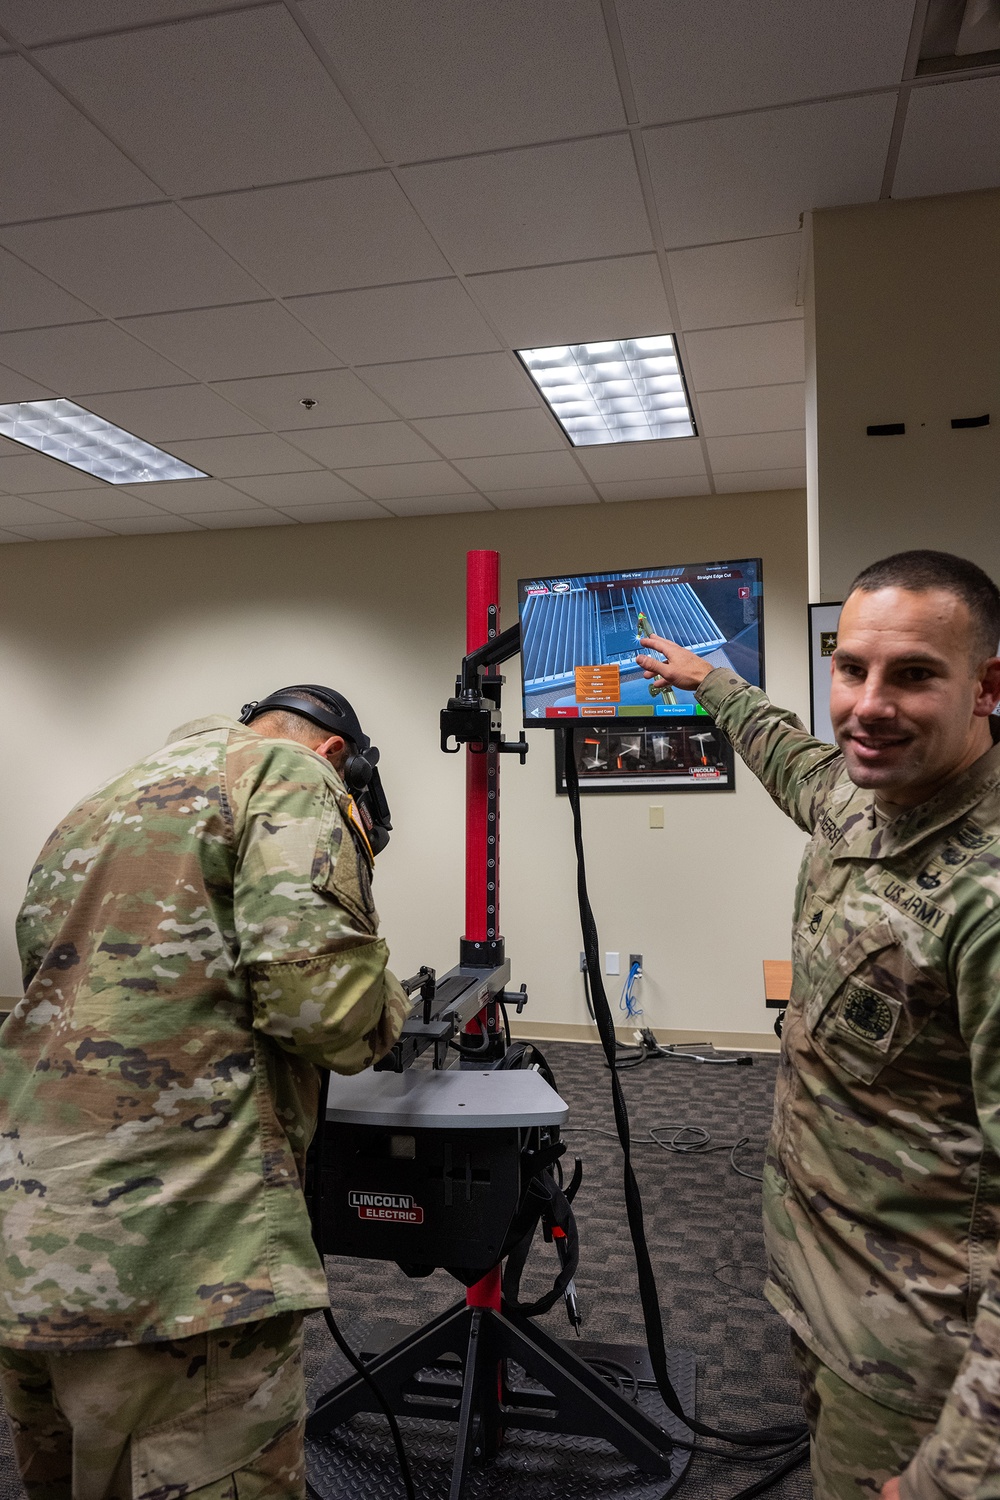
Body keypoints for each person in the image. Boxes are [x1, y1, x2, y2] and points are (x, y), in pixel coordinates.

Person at [636, 551, 1000, 1500]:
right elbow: (789, 754)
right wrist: (709, 683)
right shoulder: (860, 797)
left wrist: (956, 1471)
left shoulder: (988, 897)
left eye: (914, 674)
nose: (868, 705)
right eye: (851, 669)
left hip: (922, 1358)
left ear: (987, 687)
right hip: (817, 1288)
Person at [0, 684, 411, 1499]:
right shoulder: (289, 774)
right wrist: (389, 1002)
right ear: (337, 755)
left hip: (36, 1240)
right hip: (183, 1262)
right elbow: (322, 1009)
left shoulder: (97, 804)